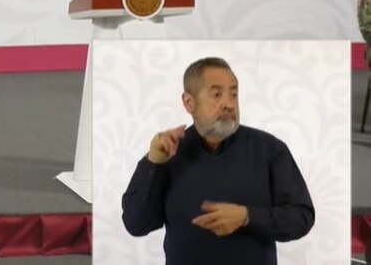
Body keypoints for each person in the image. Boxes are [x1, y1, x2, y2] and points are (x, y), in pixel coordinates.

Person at [121, 57, 314, 265]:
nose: (229, 104)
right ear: (189, 103)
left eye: (234, 94)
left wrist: (247, 217)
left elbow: (301, 217)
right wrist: (154, 164)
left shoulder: (269, 149)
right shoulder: (169, 152)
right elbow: (136, 225)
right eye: (216, 94)